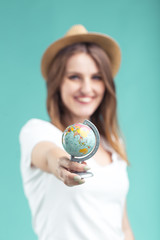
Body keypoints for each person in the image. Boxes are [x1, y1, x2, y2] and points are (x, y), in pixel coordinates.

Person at [19, 24, 134, 240]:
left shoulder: (113, 144)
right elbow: (48, 154)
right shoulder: (37, 131)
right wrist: (61, 165)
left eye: (97, 77)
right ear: (57, 82)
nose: (87, 88)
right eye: (74, 77)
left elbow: (123, 228)